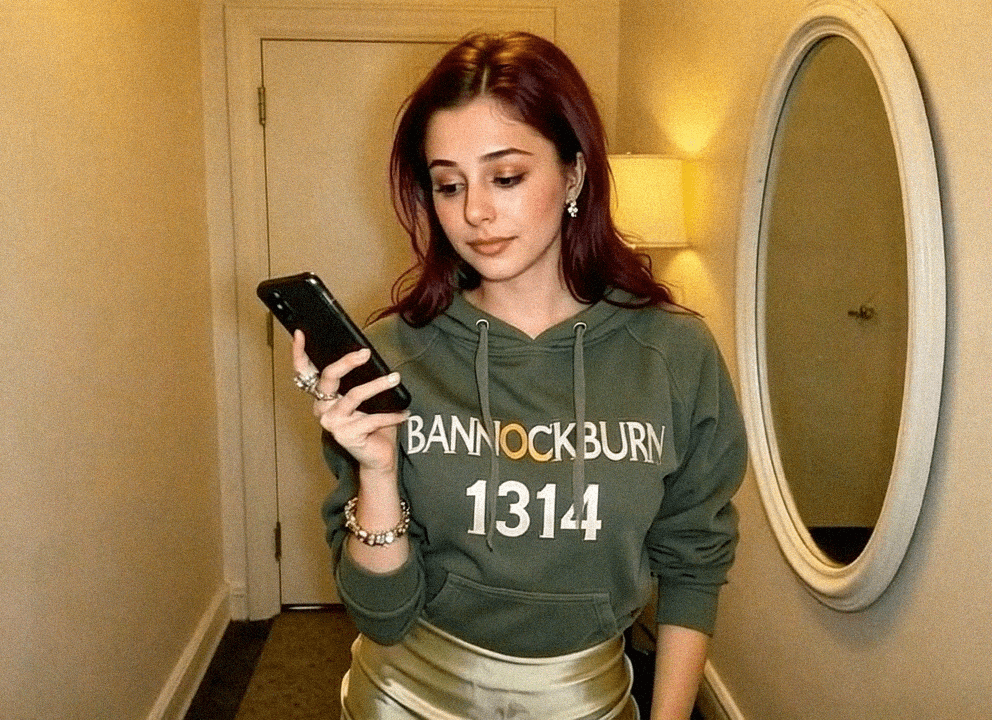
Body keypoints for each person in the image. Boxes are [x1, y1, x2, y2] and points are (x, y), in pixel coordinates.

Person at [289, 31, 747, 720]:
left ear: (574, 173)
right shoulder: (391, 357)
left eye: (505, 176)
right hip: (406, 700)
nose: (474, 211)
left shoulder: (673, 355)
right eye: (449, 184)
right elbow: (379, 616)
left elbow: (693, 561)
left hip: (583, 699)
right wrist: (378, 471)